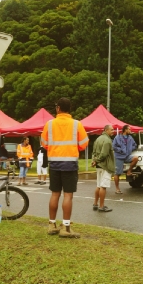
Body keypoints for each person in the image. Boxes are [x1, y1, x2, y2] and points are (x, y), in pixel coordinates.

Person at [41, 97, 89, 238]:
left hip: (54, 163)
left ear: (58, 108)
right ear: (70, 109)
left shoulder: (49, 124)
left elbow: (44, 144)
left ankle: (51, 225)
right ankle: (66, 227)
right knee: (68, 195)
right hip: (70, 163)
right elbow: (84, 143)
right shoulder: (77, 124)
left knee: (55, 193)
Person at [91, 125, 115, 212]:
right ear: (106, 130)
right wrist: (97, 160)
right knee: (103, 186)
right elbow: (104, 154)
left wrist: (94, 161)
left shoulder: (98, 139)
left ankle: (95, 204)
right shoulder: (108, 140)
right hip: (105, 165)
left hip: (98, 166)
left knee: (98, 185)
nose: (113, 131)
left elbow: (93, 152)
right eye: (111, 130)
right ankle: (101, 206)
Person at [112, 124, 138, 194]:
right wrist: (120, 150)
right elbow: (113, 146)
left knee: (135, 158)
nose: (130, 131)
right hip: (119, 156)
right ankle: (117, 189)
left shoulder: (130, 138)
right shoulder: (117, 137)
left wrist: (129, 149)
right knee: (117, 173)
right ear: (125, 130)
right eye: (129, 129)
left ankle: (129, 171)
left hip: (127, 156)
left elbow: (135, 145)